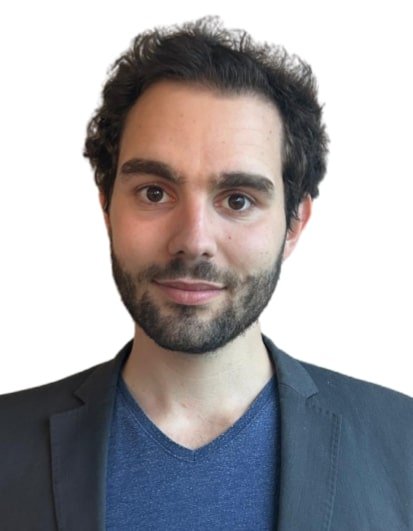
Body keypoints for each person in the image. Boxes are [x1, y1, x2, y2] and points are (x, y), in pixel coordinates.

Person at [1, 15, 412, 531]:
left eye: (238, 200)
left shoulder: (404, 443)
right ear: (107, 206)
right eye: (155, 192)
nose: (193, 239)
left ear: (294, 224)